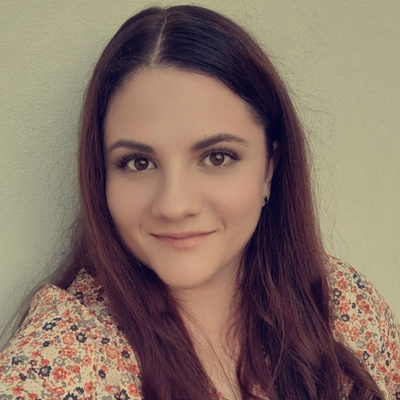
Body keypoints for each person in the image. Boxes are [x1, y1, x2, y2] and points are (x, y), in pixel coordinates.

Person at [0, 4, 399, 400]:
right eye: (138, 162)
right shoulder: (66, 360)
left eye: (217, 157)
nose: (174, 206)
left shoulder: (344, 305)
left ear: (269, 168)